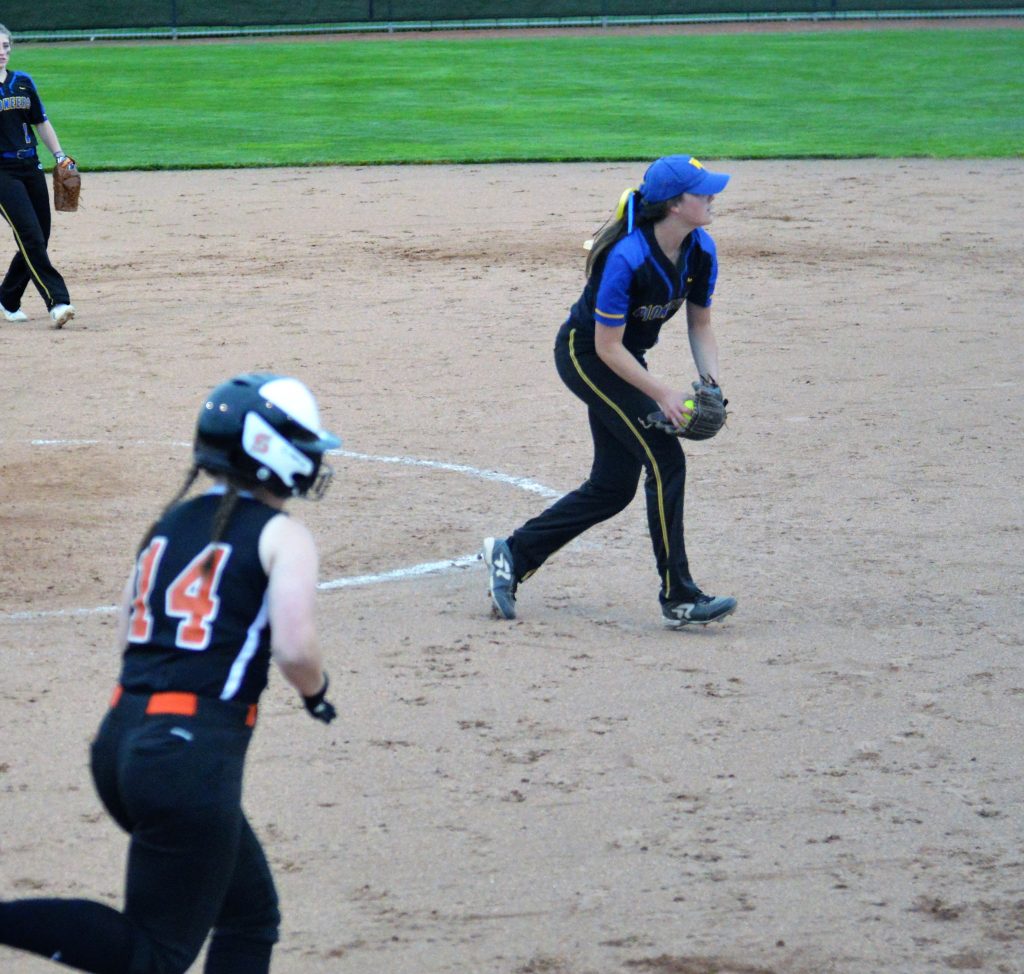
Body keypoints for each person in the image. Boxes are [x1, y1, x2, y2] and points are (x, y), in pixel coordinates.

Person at [0, 372, 342, 973]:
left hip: (120, 740)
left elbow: (129, 631)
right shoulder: (282, 535)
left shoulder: (169, 524)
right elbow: (294, 650)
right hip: (188, 758)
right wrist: (316, 694)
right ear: (271, 451)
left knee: (249, 913)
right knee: (156, 953)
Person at [483, 154, 738, 629]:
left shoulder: (701, 250)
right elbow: (606, 347)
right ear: (674, 204)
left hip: (625, 359)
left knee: (612, 487)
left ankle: (512, 555)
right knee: (665, 459)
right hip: (587, 356)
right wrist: (663, 394)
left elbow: (700, 324)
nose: (712, 197)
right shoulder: (627, 256)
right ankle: (679, 595)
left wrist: (712, 385)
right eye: (701, 191)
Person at [0, 23, 75, 328]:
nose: (2, 52)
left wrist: (60, 156)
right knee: (30, 234)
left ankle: (7, 297)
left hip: (30, 167)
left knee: (39, 236)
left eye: (5, 46)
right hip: (2, 173)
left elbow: (40, 122)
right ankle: (57, 301)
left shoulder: (22, 82)